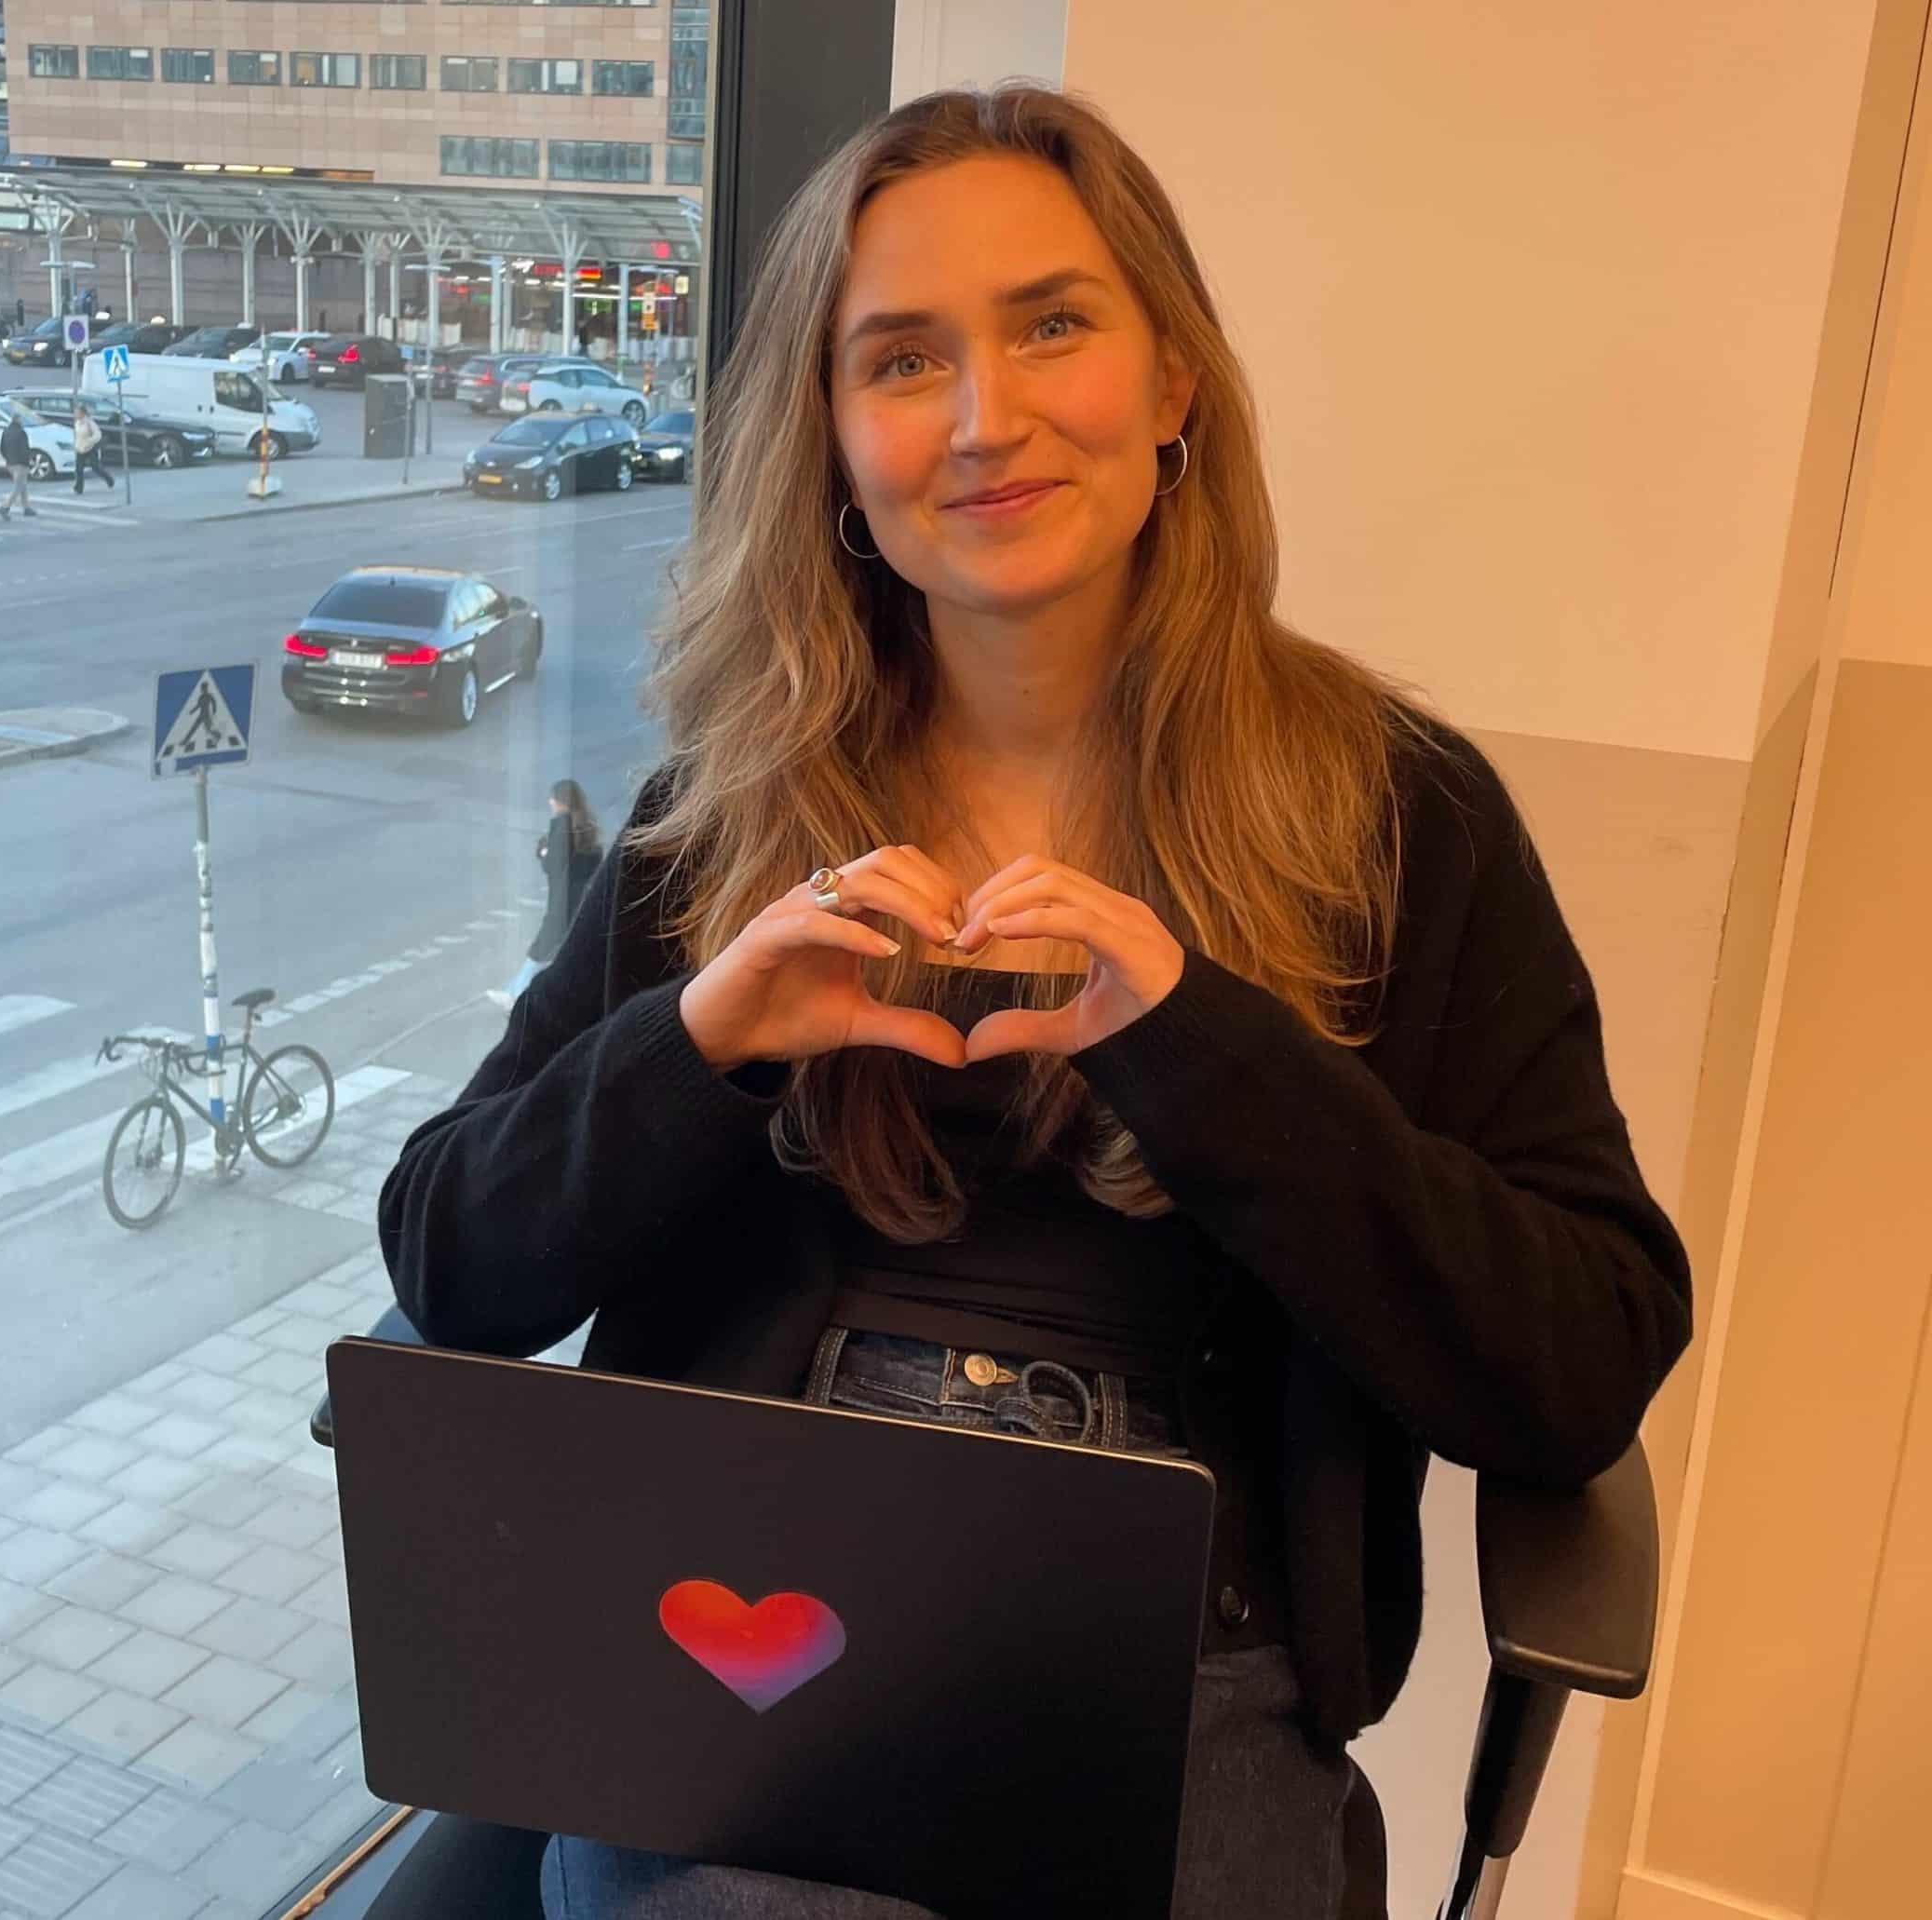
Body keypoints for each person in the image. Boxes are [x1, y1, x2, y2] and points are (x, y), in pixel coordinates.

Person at [379, 86, 1693, 1920]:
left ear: (1172, 383)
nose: (985, 418)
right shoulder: (730, 813)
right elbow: (450, 1259)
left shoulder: (1396, 818)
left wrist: (1202, 1053)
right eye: (902, 359)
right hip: (758, 1590)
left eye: (1052, 324)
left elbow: (1578, 1362)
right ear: (833, 444)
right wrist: (698, 1046)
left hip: (1188, 1633)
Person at [487, 781, 604, 1011]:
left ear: (561, 802)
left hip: (560, 902)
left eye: (553, 798)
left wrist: (543, 851)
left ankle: (516, 995)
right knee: (550, 949)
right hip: (579, 900)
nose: (550, 802)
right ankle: (514, 990)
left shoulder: (562, 828)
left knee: (542, 951)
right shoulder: (588, 829)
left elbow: (553, 865)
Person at [0, 408, 36, 520]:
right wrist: (27, 464)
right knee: (18, 487)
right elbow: (24, 450)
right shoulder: (21, 433)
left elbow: (2, 448)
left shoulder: (6, 431)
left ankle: (26, 508)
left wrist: (8, 459)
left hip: (10, 463)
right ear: (18, 420)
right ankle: (5, 506)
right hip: (20, 464)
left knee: (23, 485)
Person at [70, 401, 110, 494]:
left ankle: (109, 479)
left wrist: (89, 441)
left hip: (90, 448)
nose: (75, 414)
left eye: (77, 413)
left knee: (95, 467)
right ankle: (78, 488)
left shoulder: (90, 423)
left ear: (83, 413)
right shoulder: (77, 423)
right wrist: (76, 446)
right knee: (78, 469)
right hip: (80, 449)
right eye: (75, 413)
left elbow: (98, 435)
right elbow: (78, 436)